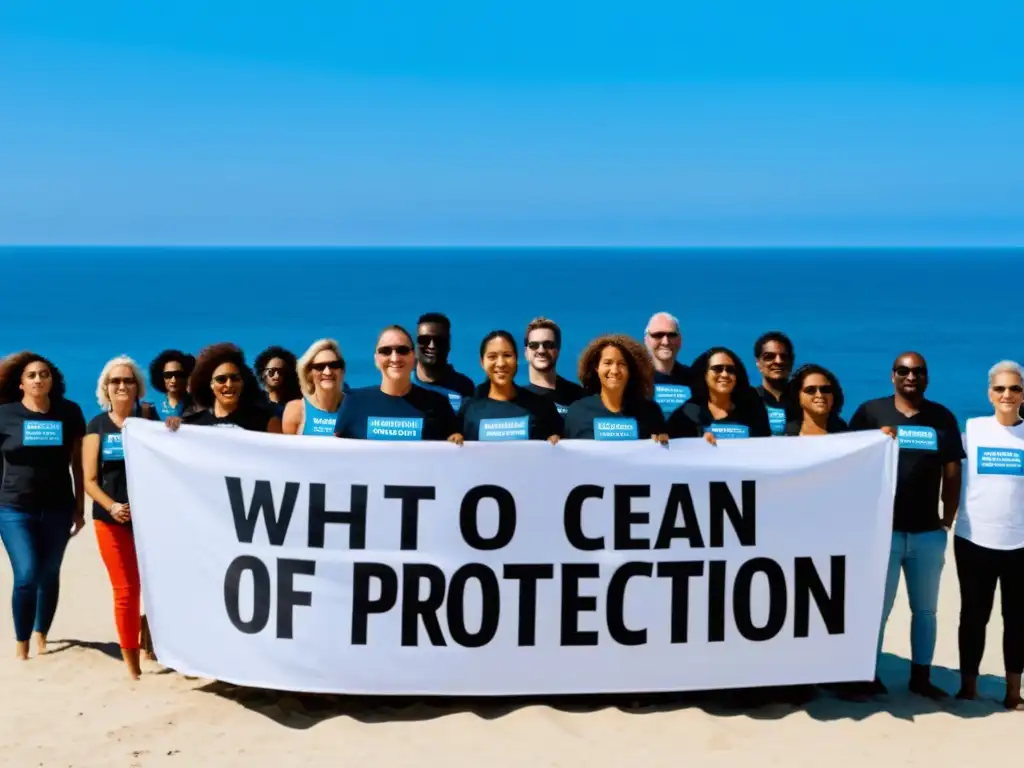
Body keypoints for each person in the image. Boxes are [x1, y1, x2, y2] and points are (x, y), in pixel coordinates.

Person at [849, 351, 964, 699]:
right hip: (883, 533)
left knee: (925, 610)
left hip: (928, 533)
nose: (910, 376)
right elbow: (850, 455)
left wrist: (948, 514)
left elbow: (952, 469)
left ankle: (921, 677)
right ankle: (868, 675)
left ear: (926, 377)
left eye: (918, 371)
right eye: (903, 371)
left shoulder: (941, 417)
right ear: (893, 375)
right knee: (878, 608)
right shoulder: (871, 411)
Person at [0, 352, 87, 660]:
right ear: (21, 383)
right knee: (26, 574)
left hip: (58, 508)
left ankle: (41, 635)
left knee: (49, 573)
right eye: (32, 375)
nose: (39, 379)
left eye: (44, 374)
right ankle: (21, 644)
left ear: (52, 381)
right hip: (13, 509)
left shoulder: (69, 412)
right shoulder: (4, 414)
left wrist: (80, 507)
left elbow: (78, 463)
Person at [82, 356, 157, 680]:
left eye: (128, 380)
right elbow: (88, 480)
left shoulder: (149, 418)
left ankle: (152, 642)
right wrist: (112, 506)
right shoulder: (96, 425)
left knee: (157, 588)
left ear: (138, 387)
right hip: (110, 521)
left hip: (153, 522)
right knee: (126, 590)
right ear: (106, 389)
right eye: (116, 381)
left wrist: (173, 425)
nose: (122, 386)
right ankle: (133, 667)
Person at [954, 360, 1024, 709]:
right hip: (973, 540)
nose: (1007, 395)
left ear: (1023, 394)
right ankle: (969, 687)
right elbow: (938, 464)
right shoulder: (972, 430)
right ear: (990, 394)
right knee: (973, 615)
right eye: (1000, 389)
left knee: (1017, 619)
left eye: (1014, 388)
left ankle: (1013, 693)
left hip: (1020, 544)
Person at [335, 325, 463, 442]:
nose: (395, 358)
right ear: (376, 359)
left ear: (414, 357)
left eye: (402, 350)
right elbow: (333, 452)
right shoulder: (353, 403)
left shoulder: (438, 405)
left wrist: (455, 441)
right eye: (385, 351)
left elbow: (454, 449)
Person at [460, 331, 563, 443]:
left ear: (516, 359)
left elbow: (563, 447)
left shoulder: (541, 406)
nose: (501, 363)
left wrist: (556, 442)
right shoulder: (469, 409)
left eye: (507, 355)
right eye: (492, 357)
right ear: (482, 362)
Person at [563, 334, 668, 442]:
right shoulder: (578, 412)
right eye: (608, 363)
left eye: (622, 364)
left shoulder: (650, 412)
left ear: (630, 370)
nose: (614, 370)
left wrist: (663, 443)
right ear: (596, 367)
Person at [166, 343, 282, 432]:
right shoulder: (191, 425)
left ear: (243, 382)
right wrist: (173, 430)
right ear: (210, 384)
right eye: (221, 379)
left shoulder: (266, 422)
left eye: (235, 378)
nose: (229, 384)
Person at [668, 347, 771, 439]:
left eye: (730, 370)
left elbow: (764, 448)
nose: (725, 374)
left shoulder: (753, 412)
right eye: (717, 369)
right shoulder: (688, 414)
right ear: (704, 374)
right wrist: (698, 444)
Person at [521, 316, 585, 416]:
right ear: (526, 352)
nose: (541, 350)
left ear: (558, 350)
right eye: (534, 345)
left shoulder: (579, 397)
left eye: (548, 345)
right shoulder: (517, 399)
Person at [412, 312, 475, 412]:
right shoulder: (402, 382)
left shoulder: (463, 387)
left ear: (448, 344)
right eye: (424, 340)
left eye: (439, 341)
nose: (431, 346)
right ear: (415, 344)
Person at [282, 339, 346, 436]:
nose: (327, 372)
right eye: (320, 367)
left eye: (334, 365)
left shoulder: (355, 408)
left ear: (341, 371)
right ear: (309, 373)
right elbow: (285, 450)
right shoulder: (296, 410)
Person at [644, 311, 693, 417]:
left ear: (680, 340)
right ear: (646, 340)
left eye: (672, 335)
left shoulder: (694, 379)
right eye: (658, 335)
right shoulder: (633, 378)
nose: (665, 342)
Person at [783, 364, 850, 435]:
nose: (820, 395)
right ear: (797, 396)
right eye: (810, 390)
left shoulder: (847, 435)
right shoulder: (783, 435)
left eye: (825, 389)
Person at [754, 331, 795, 436]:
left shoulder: (807, 402)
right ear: (758, 362)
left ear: (792, 362)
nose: (778, 361)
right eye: (769, 357)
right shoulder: (745, 402)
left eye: (784, 356)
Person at [253, 345, 302, 420]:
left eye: (281, 372)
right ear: (263, 373)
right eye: (271, 372)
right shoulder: (253, 403)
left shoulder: (293, 407)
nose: (276, 376)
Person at [147, 349, 195, 421]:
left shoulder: (198, 408)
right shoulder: (152, 410)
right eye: (168, 375)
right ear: (160, 377)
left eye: (178, 375)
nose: (173, 380)